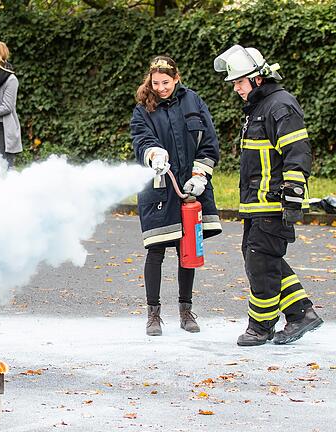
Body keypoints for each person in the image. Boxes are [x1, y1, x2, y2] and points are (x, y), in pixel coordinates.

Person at [214, 45, 323, 346]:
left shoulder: (280, 106)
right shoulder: (258, 109)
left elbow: (297, 152)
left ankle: (261, 327)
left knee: (261, 262)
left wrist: (292, 194)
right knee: (262, 260)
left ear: (258, 79)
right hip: (255, 203)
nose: (236, 88)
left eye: (239, 82)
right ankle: (302, 314)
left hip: (272, 203)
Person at [130, 55, 222, 336]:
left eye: (166, 82)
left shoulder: (194, 101)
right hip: (159, 188)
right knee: (155, 249)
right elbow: (141, 139)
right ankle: (153, 315)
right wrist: (153, 154)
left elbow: (209, 140)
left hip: (192, 188)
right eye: (155, 82)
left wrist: (200, 175)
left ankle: (185, 311)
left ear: (176, 78)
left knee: (188, 251)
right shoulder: (143, 108)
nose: (160, 88)